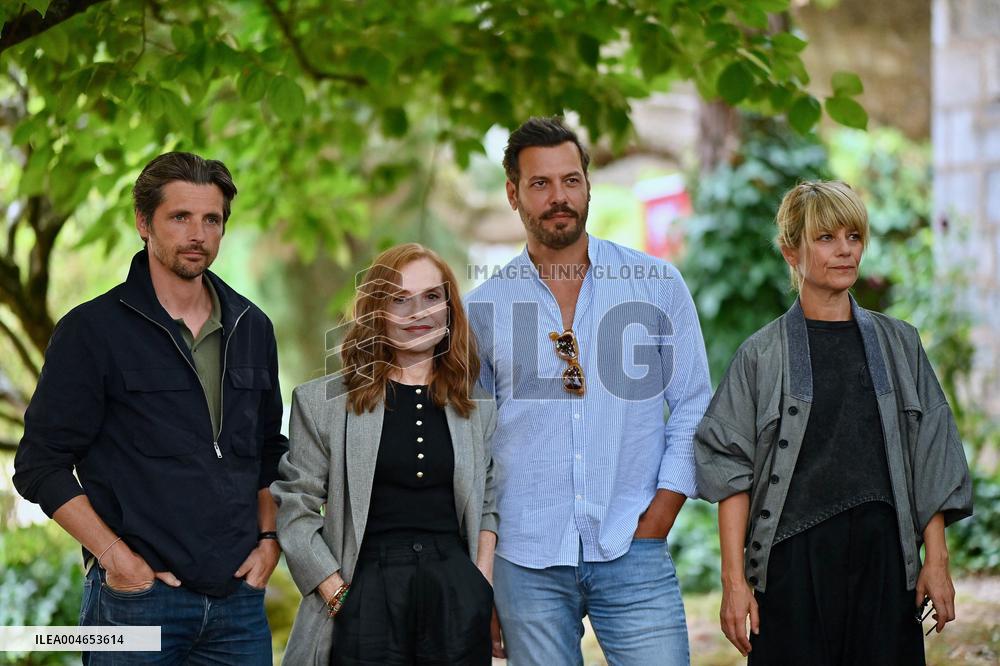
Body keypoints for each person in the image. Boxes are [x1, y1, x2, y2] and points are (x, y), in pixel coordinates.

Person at [13, 152, 288, 664]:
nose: (198, 234)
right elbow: (39, 465)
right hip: (134, 602)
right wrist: (116, 559)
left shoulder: (254, 327)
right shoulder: (91, 331)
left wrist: (270, 538)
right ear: (144, 222)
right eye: (179, 217)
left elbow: (269, 450)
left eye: (212, 219)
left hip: (239, 608)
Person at [465, 116, 712, 665]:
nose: (559, 197)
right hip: (525, 558)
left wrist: (663, 509)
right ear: (512, 193)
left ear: (588, 186)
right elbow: (471, 447)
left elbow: (694, 400)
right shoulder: (482, 310)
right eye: (540, 183)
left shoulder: (656, 285)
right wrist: (485, 575)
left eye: (571, 180)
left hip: (633, 543)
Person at [694, 180, 973, 665]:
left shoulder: (900, 344)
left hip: (885, 563)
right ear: (791, 252)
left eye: (853, 236)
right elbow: (730, 470)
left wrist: (937, 560)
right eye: (825, 238)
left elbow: (929, 450)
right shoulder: (761, 355)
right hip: (791, 567)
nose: (844, 250)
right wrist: (734, 582)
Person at [272, 243, 497, 665]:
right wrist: (337, 594)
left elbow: (487, 503)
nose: (418, 312)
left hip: (456, 593)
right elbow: (295, 507)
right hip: (364, 591)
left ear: (449, 310)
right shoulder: (322, 403)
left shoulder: (476, 407)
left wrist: (480, 585)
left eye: (432, 296)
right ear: (377, 311)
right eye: (400, 298)